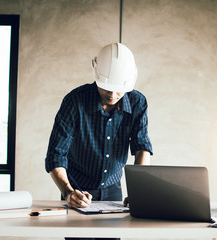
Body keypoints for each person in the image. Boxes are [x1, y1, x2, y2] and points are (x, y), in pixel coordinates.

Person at [44, 43, 153, 239]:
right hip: (76, 188)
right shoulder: (74, 101)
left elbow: (141, 147)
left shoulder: (138, 102)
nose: (112, 95)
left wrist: (141, 191)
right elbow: (55, 155)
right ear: (96, 76)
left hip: (113, 191)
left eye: (119, 90)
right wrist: (68, 193)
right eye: (106, 88)